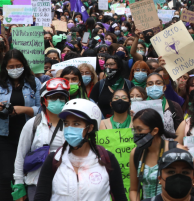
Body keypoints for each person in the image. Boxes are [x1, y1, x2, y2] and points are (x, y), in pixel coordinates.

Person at [33, 99, 127, 201]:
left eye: (76, 124)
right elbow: (40, 197)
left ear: (90, 128)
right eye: (66, 124)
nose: (69, 128)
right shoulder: (53, 159)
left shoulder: (107, 159)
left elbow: (120, 197)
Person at [129, 108, 194, 200]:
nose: (136, 134)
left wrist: (184, 177)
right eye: (134, 130)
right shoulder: (136, 153)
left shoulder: (177, 150)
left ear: (155, 131)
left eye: (139, 130)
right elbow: (134, 189)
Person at [12, 78, 69, 201]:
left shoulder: (72, 125)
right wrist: (18, 185)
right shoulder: (33, 124)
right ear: (44, 100)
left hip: (66, 185)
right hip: (37, 184)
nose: (58, 101)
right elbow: (20, 155)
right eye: (53, 97)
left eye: (61, 97)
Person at [0, 49, 42, 200]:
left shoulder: (34, 82)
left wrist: (25, 109)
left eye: (18, 65)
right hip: (5, 135)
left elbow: (42, 109)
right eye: (11, 67)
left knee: (27, 173)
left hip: (29, 136)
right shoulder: (0, 82)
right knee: (6, 175)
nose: (15, 69)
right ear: (5, 67)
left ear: (23, 64)